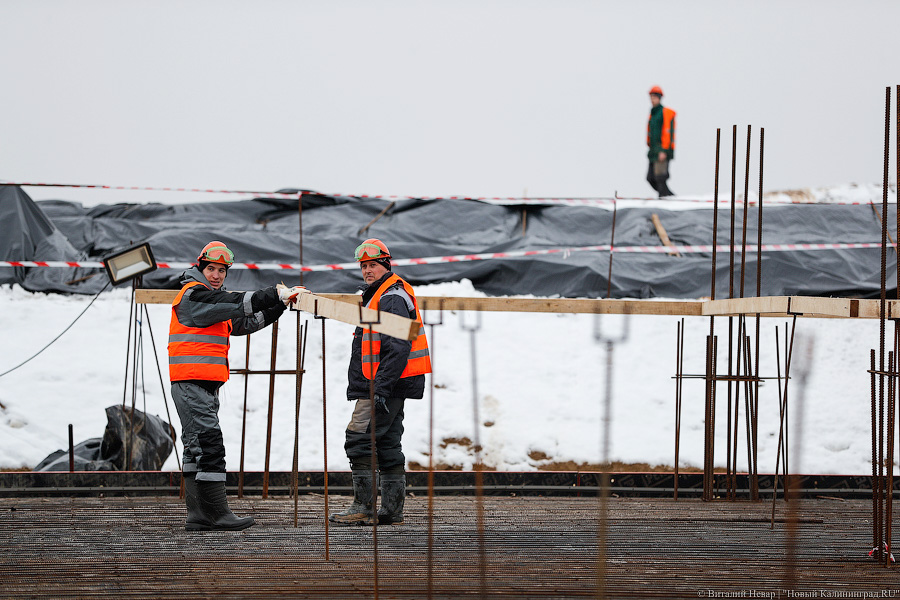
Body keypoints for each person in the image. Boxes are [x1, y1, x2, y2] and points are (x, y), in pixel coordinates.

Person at [168, 240, 304, 531]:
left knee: (197, 449)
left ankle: (198, 514)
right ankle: (216, 513)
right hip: (192, 384)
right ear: (200, 268)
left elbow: (245, 322)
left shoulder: (212, 302)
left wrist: (279, 305)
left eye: (221, 271)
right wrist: (274, 293)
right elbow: (237, 302)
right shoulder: (194, 296)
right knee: (210, 447)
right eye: (211, 269)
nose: (216, 276)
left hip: (202, 385)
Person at [329, 238, 432, 526]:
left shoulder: (390, 297)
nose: (367, 271)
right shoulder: (381, 295)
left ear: (386, 265)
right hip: (391, 384)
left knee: (359, 438)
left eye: (373, 265)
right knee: (386, 442)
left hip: (382, 385)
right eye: (363, 266)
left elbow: (397, 346)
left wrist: (381, 387)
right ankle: (391, 510)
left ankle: (363, 507)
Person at [646, 85, 676, 197]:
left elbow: (668, 131)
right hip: (653, 151)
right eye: (651, 97)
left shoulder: (664, 113)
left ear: (659, 98)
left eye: (654, 97)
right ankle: (668, 197)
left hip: (661, 150)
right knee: (650, 178)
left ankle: (666, 198)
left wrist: (664, 150)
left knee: (660, 177)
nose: (652, 99)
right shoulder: (653, 114)